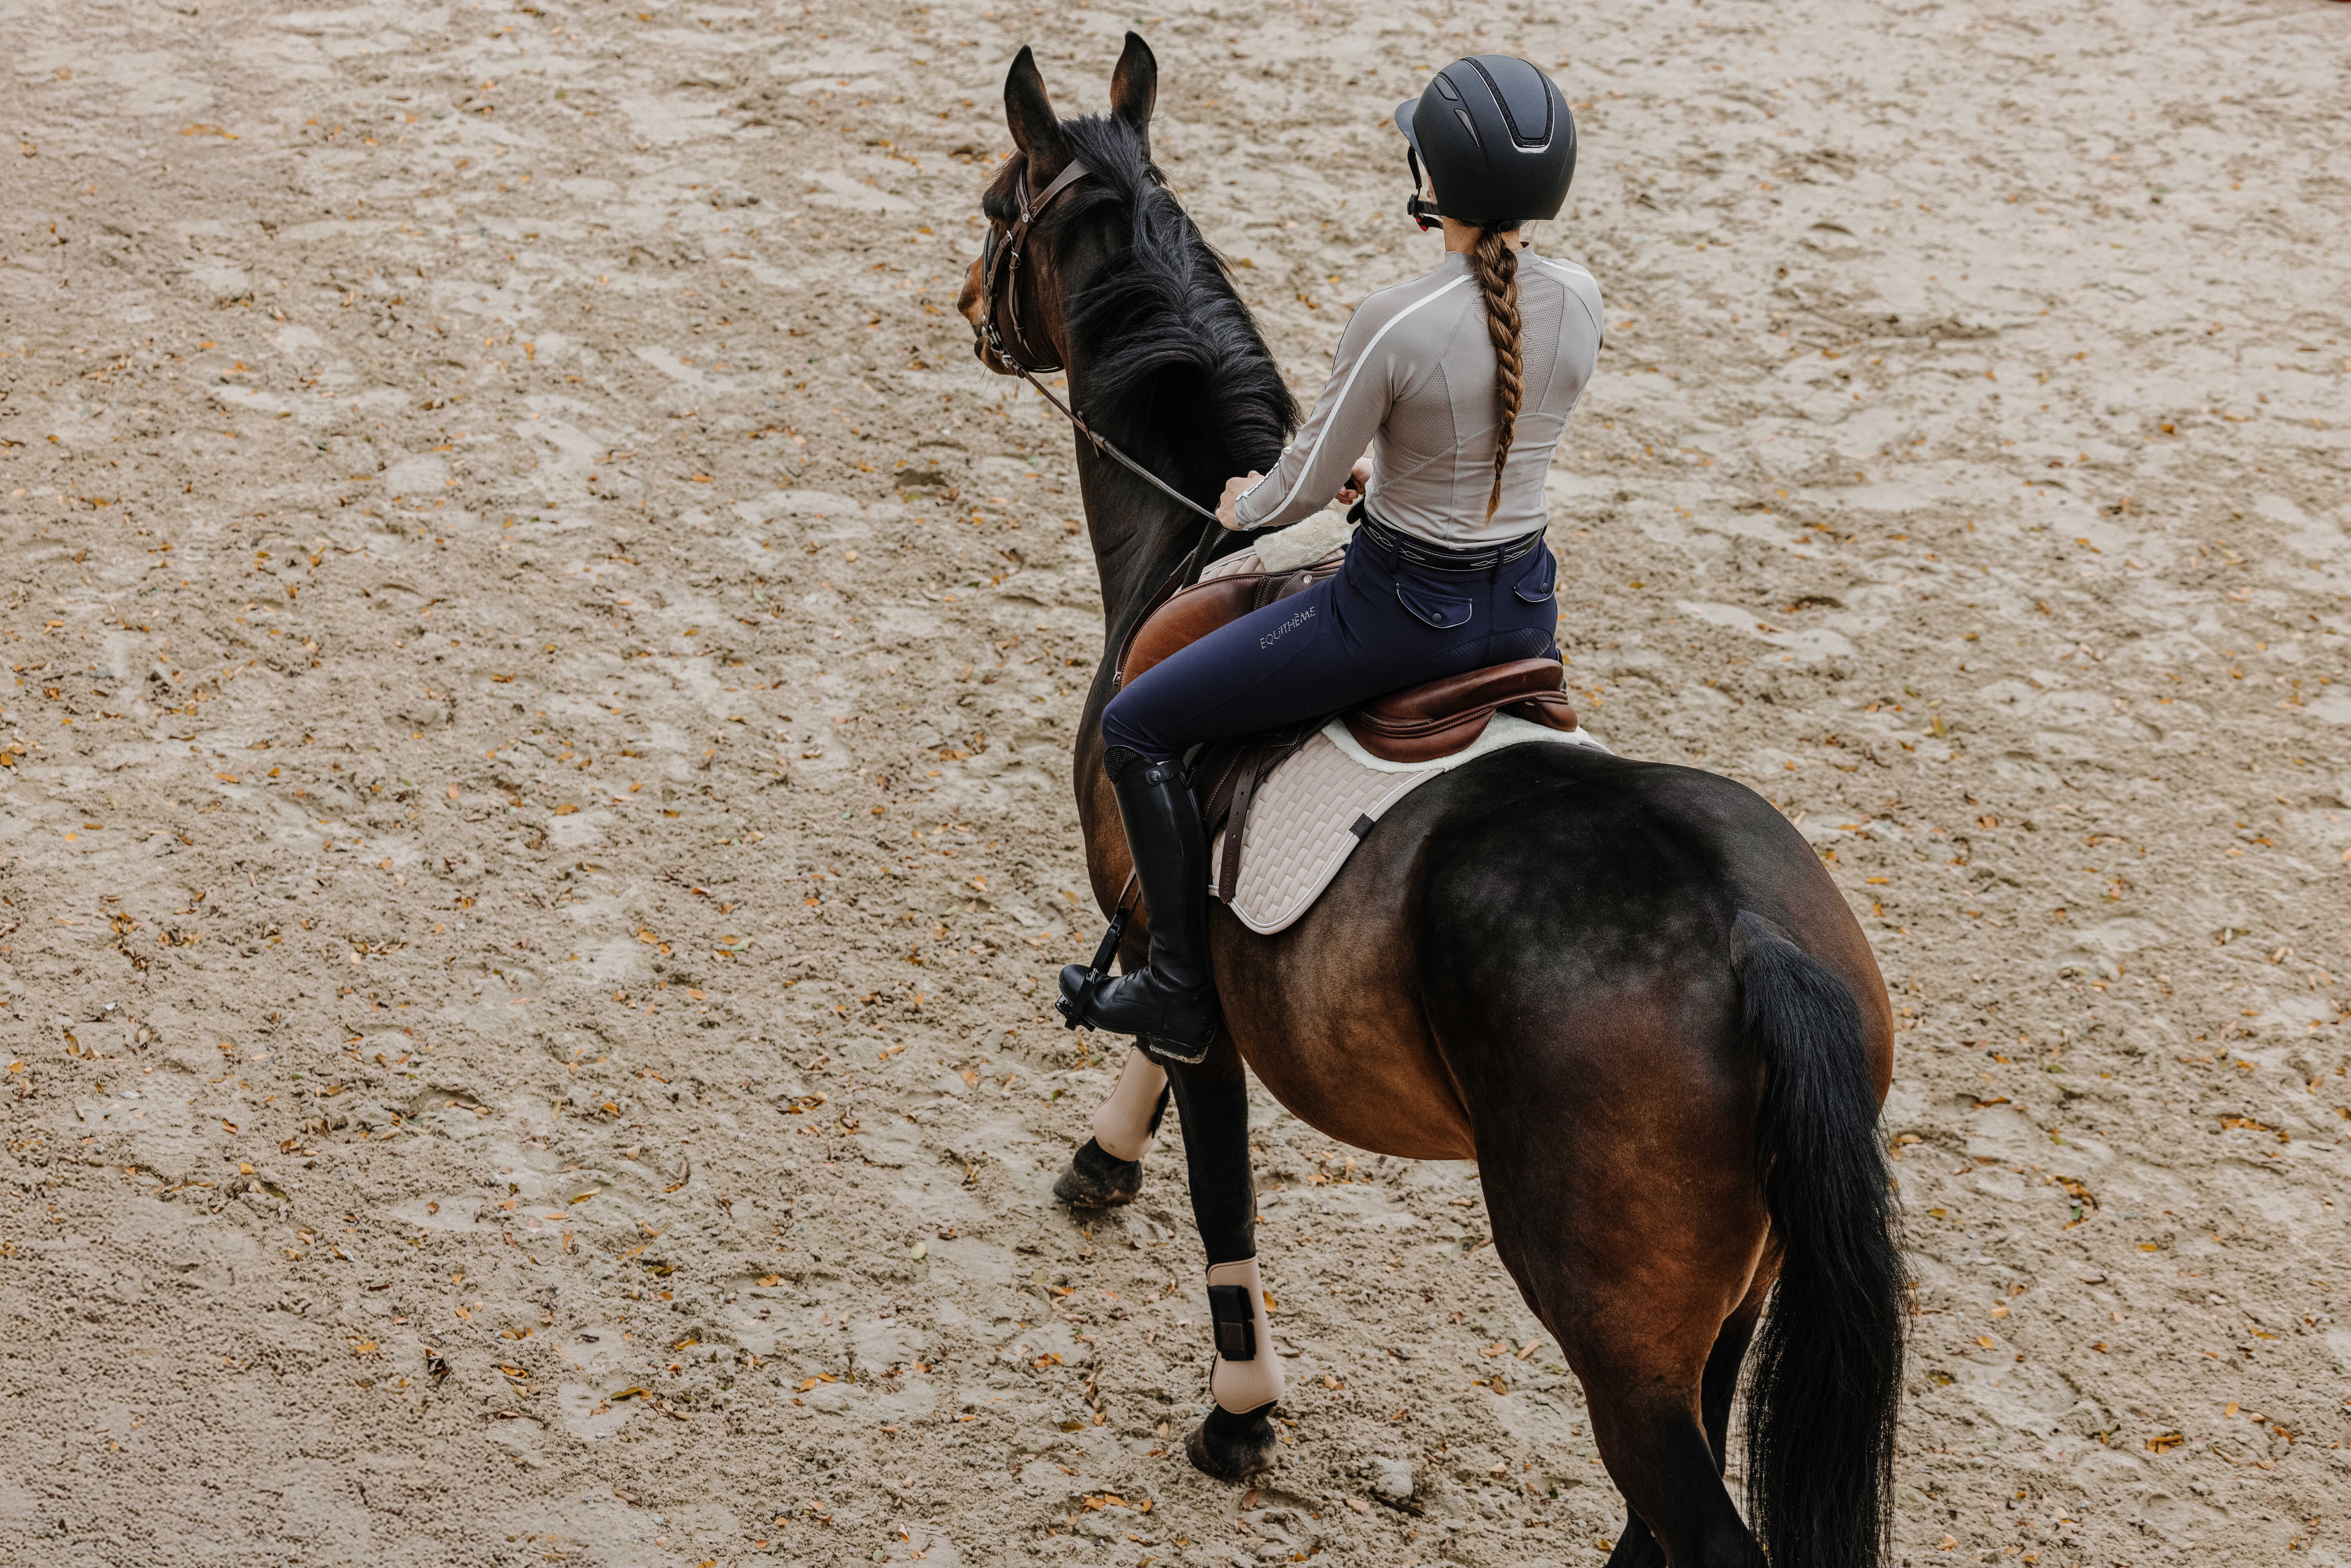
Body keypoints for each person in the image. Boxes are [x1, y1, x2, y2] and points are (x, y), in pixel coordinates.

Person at [1058, 55, 1603, 1063]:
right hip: (1524, 607)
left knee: (1136, 724)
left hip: (1397, 617)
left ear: (1431, 181)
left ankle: (1176, 984)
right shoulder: (1582, 297)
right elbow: (1493, 437)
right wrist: (1391, 488)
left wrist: (1248, 501)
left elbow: (1299, 486)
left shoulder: (1397, 320)